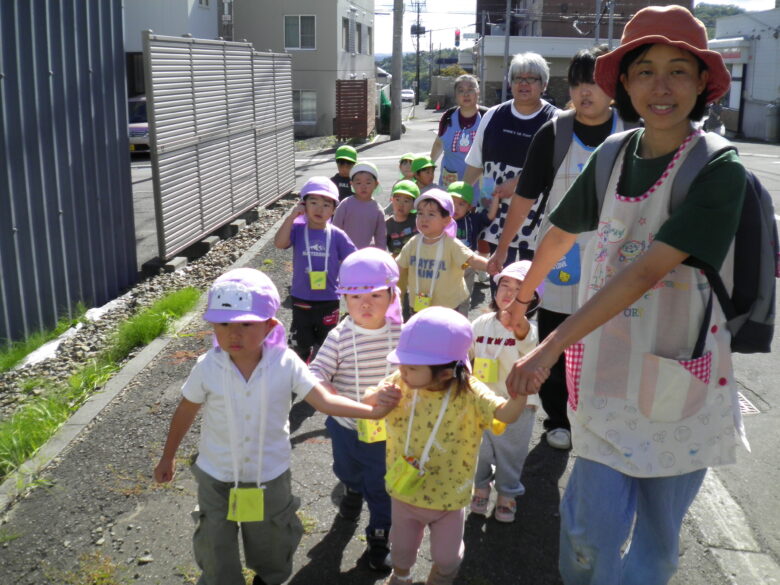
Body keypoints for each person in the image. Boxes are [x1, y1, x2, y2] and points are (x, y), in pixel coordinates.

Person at [506, 7, 746, 584]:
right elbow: (559, 233)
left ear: (703, 83)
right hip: (606, 384)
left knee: (658, 545)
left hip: (677, 383)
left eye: (679, 71)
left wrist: (545, 350)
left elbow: (643, 274)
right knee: (588, 533)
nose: (661, 87)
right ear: (626, 84)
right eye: (644, 71)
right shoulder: (613, 155)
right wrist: (521, 297)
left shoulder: (718, 168)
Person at [153, 268, 400, 585]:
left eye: (246, 324)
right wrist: (168, 456)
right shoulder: (208, 367)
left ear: (270, 326)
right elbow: (186, 409)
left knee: (271, 539)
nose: (233, 334)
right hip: (215, 475)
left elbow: (323, 400)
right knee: (215, 542)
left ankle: (268, 577)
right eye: (224, 324)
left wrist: (370, 411)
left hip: (268, 475)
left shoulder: (286, 363)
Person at [487, 44, 632, 451]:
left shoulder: (632, 131)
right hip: (560, 252)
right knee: (553, 338)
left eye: (596, 84)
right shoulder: (555, 131)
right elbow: (525, 197)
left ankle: (598, 414)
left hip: (614, 252)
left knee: (608, 336)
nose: (586, 93)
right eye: (578, 84)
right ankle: (558, 417)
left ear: (613, 88)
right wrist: (502, 248)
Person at [369, 306, 534, 585]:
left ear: (445, 373)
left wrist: (520, 395)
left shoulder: (470, 392)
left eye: (411, 367)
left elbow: (505, 414)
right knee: (401, 552)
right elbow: (368, 402)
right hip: (404, 491)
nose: (402, 371)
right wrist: (376, 395)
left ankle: (440, 578)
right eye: (402, 364)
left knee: (448, 559)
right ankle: (401, 576)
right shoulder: (402, 382)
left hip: (449, 496)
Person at [309, 248, 403, 571]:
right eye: (355, 296)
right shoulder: (340, 336)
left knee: (382, 485)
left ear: (393, 295)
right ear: (344, 299)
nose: (365, 304)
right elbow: (316, 376)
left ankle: (379, 534)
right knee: (347, 470)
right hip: (347, 426)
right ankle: (350, 488)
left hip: (388, 432)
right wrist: (335, 396)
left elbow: (421, 368)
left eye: (376, 295)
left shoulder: (401, 333)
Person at [462, 52, 559, 271]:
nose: (523, 84)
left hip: (536, 216)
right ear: (510, 82)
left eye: (531, 79)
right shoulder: (493, 115)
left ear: (544, 84)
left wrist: (515, 184)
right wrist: (462, 197)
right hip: (492, 210)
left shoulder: (556, 120)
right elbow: (476, 163)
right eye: (517, 78)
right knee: (498, 275)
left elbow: (557, 169)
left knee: (530, 280)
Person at [470, 261, 541, 523]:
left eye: (519, 288)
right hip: (482, 402)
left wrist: (516, 317)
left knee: (511, 453)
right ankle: (480, 486)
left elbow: (525, 337)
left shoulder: (529, 328)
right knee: (479, 449)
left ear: (532, 297)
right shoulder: (480, 322)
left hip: (517, 405)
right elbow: (468, 354)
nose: (509, 293)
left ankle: (507, 493)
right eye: (505, 285)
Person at [274, 177, 357, 362]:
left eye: (326, 204)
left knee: (328, 345)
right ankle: (299, 376)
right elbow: (279, 243)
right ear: (304, 204)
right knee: (299, 345)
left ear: (334, 209)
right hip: (301, 298)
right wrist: (291, 217)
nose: (319, 209)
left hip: (329, 300)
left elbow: (355, 260)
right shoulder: (297, 228)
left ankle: (323, 376)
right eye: (313, 202)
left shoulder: (337, 235)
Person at [395, 189, 488, 315]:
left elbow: (472, 259)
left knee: (446, 334)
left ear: (446, 220)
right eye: (420, 213)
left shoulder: (451, 243)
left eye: (431, 214)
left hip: (447, 308)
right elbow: (399, 266)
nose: (424, 219)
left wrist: (491, 266)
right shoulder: (414, 242)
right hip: (418, 305)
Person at [447, 181, 495, 316]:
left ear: (469, 206)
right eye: (452, 202)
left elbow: (490, 216)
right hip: (446, 265)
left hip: (467, 265)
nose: (455, 207)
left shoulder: (473, 219)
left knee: (464, 298)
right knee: (444, 298)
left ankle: (461, 326)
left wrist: (495, 197)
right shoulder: (440, 219)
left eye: (461, 204)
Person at [430, 75, 485, 187]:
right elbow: (439, 143)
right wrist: (427, 167)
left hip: (479, 190)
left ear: (478, 92)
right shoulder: (448, 116)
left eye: (470, 89)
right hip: (449, 186)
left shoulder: (487, 117)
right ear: (455, 95)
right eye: (461, 90)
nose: (466, 94)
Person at [333, 162, 387, 250]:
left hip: (367, 255)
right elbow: (335, 229)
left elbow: (380, 238)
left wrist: (381, 256)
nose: (363, 186)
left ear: (376, 184)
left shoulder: (378, 210)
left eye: (368, 183)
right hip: (345, 253)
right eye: (358, 183)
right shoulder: (345, 204)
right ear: (352, 184)